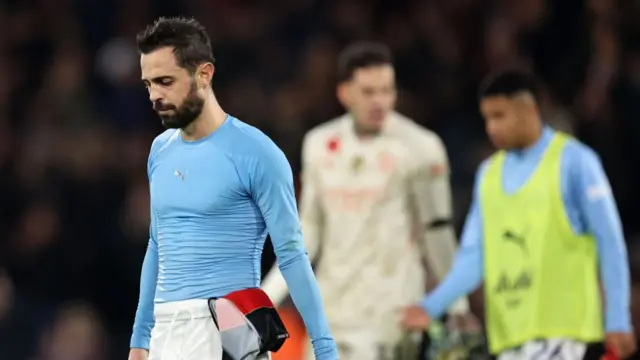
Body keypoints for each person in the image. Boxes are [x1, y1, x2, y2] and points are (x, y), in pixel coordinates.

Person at [128, 17, 338, 360]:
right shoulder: (160, 151)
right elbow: (157, 245)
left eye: (165, 82)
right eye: (148, 84)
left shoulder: (257, 153)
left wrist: (325, 349)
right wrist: (140, 340)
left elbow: (291, 255)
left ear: (203, 74)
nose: (155, 96)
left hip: (231, 328)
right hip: (167, 333)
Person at [400, 70, 637, 360]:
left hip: (562, 332)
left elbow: (609, 242)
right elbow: (473, 258)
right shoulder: (488, 175)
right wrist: (430, 307)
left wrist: (617, 319)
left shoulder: (574, 162)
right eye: (487, 118)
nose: (491, 128)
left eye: (500, 116)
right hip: (509, 336)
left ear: (530, 111)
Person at [261, 41, 475, 360]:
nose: (380, 101)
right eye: (368, 91)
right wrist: (266, 296)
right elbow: (307, 234)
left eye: (386, 90)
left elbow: (437, 234)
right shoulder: (319, 146)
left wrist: (458, 305)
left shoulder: (422, 148)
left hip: (391, 319)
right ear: (344, 93)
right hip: (333, 316)